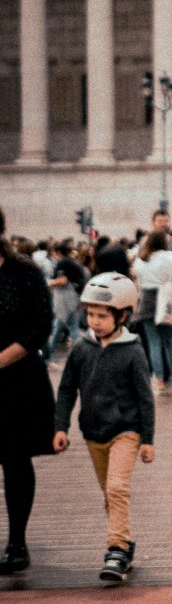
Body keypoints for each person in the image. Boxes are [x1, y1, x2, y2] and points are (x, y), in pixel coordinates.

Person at [53, 272, 154, 582]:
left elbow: (145, 398)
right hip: (93, 432)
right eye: (91, 315)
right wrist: (60, 427)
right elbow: (67, 389)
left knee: (117, 488)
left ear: (121, 315)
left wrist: (148, 439)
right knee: (110, 494)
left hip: (126, 430)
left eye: (102, 316)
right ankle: (125, 542)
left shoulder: (133, 350)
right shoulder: (81, 348)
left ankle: (116, 551)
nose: (94, 322)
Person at [0, 207, 56, 575]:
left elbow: (40, 326)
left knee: (15, 459)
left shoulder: (25, 272)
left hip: (16, 382)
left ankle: (17, 543)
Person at [132, 230, 172, 394]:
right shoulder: (170, 256)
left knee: (153, 343)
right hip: (166, 300)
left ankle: (159, 381)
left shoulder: (141, 258)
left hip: (147, 302)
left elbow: (138, 282)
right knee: (169, 342)